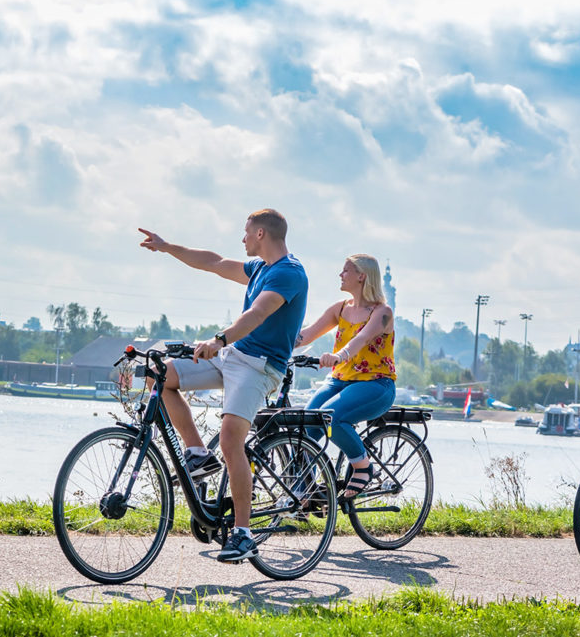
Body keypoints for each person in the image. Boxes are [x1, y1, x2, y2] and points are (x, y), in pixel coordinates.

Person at [138, 209, 308, 562]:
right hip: (233, 355)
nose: (242, 238)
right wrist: (167, 247)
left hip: (260, 367)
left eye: (246, 232)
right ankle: (198, 453)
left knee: (231, 440)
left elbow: (257, 314)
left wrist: (218, 340)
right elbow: (213, 262)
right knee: (160, 376)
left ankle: (243, 534)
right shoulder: (259, 268)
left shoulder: (289, 273)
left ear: (261, 234)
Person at [295, 254, 396, 499]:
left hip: (375, 383)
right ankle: (304, 493)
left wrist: (338, 356)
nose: (340, 275)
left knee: (332, 418)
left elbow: (361, 339)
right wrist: (272, 342)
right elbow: (305, 335)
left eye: (345, 271)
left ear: (362, 276)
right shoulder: (340, 308)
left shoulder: (382, 312)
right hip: (339, 380)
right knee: (306, 426)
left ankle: (362, 466)